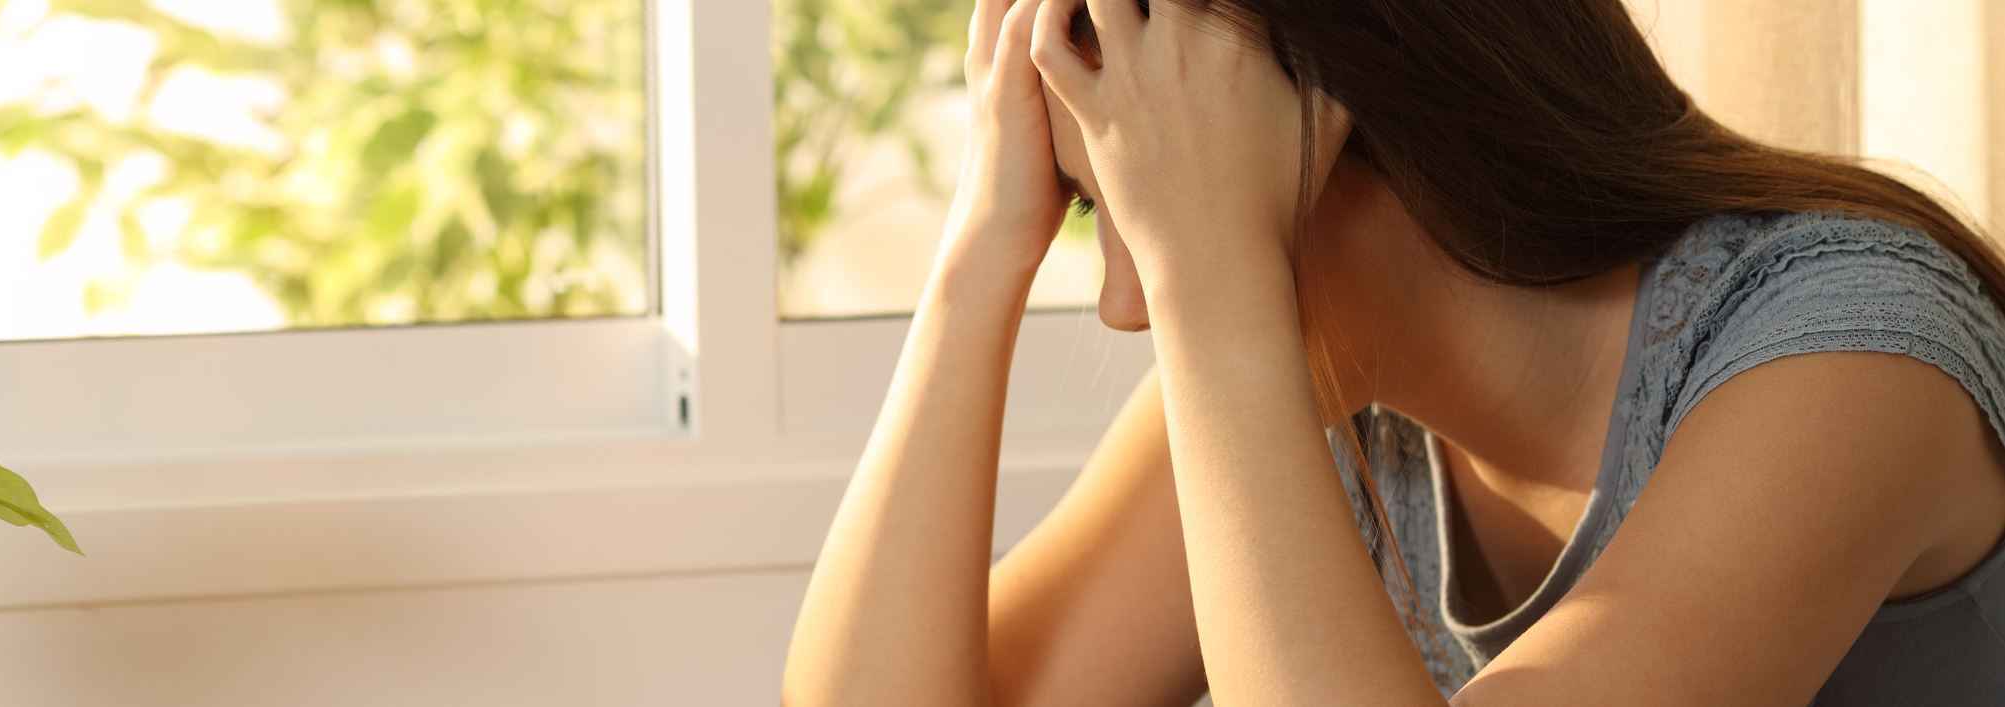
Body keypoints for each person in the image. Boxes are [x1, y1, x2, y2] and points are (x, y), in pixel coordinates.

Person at [781, 0, 2005, 703]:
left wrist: (1215, 269)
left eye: (1141, 219)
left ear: (1353, 111)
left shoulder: (1847, 354)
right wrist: (977, 256)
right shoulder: (1311, 385)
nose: (1130, 311)